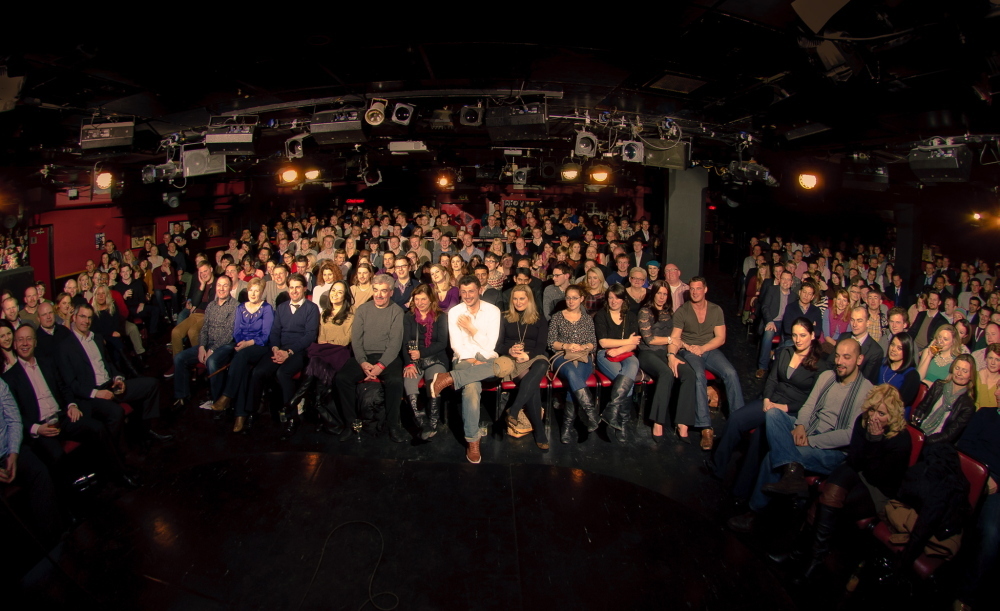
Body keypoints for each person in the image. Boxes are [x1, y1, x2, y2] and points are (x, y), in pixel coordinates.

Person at [727, 338, 873, 532]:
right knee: (773, 413)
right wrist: (801, 426)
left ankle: (755, 513)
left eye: (847, 357)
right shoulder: (827, 376)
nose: (840, 361)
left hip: (832, 451)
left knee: (773, 458)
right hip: (808, 430)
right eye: (837, 356)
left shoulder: (867, 391)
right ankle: (792, 471)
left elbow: (849, 435)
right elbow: (808, 406)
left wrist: (809, 440)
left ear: (859, 359)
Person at [791, 385, 912, 582]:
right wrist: (869, 438)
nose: (874, 417)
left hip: (878, 491)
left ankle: (807, 555)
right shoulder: (862, 422)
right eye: (872, 409)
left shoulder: (901, 439)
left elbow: (876, 476)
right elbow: (855, 461)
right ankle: (807, 555)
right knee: (832, 490)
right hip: (857, 473)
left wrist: (874, 439)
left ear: (892, 416)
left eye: (881, 413)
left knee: (831, 499)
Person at [4, 325, 135, 488]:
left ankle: (118, 474)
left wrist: (71, 405)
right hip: (41, 428)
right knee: (56, 455)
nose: (25, 343)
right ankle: (71, 501)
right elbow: (14, 415)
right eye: (20, 340)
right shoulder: (9, 378)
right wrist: (36, 429)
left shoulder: (47, 363)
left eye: (29, 338)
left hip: (62, 417)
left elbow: (64, 387)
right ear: (14, 345)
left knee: (97, 428)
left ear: (35, 342)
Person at [714, 318, 827, 488]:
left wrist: (783, 407)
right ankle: (718, 467)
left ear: (812, 335)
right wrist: (767, 399)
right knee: (736, 419)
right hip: (771, 400)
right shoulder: (785, 352)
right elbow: (772, 380)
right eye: (795, 335)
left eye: (802, 335)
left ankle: (741, 489)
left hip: (791, 410)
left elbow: (812, 399)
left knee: (758, 439)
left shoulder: (820, 364)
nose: (798, 339)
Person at [58, 303, 169, 442]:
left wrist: (118, 378)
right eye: (82, 316)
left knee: (151, 384)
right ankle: (114, 453)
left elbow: (109, 364)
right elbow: (70, 383)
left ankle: (148, 430)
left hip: (111, 385)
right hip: (92, 395)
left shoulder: (97, 338)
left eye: (89, 318)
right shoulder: (65, 346)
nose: (86, 321)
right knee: (116, 412)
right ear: (74, 317)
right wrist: (96, 393)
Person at [429, 275, 504, 463]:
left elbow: (490, 346)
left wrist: (471, 329)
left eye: (471, 291)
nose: (468, 296)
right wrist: (472, 361)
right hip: (465, 359)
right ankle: (472, 440)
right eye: (463, 292)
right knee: (471, 387)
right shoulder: (454, 312)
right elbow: (457, 345)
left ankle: (449, 378)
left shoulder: (493, 311)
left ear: (480, 290)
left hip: (487, 360)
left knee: (504, 366)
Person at [668, 276, 744, 450]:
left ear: (705, 289)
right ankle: (705, 427)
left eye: (698, 288)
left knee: (731, 373)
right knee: (699, 376)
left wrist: (703, 348)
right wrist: (677, 352)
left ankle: (740, 420)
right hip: (689, 350)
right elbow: (675, 337)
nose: (695, 292)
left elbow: (721, 338)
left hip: (709, 349)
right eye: (692, 289)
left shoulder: (716, 309)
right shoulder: (682, 311)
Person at [335, 274, 407, 443]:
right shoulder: (362, 310)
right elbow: (356, 340)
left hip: (387, 357)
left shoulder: (397, 311)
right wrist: (362, 362)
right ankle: (350, 424)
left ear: (391, 292)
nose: (379, 295)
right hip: (365, 356)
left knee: (396, 381)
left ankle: (392, 426)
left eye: (383, 291)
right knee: (342, 378)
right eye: (376, 290)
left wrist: (381, 366)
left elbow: (395, 344)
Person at [248, 273, 319, 439]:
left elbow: (309, 336)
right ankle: (252, 412)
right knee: (258, 372)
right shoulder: (281, 308)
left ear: (304, 288)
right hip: (279, 348)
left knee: (283, 373)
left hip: (300, 351)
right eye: (291, 287)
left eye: (297, 287)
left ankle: (292, 417)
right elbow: (275, 332)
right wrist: (275, 348)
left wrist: (289, 352)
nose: (294, 291)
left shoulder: (311, 308)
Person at [0, 376, 63, 547]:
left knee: (39, 472)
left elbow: (13, 419)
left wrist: (13, 452)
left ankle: (53, 542)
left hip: (8, 451)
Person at [211, 278, 274, 433]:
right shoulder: (240, 308)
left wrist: (248, 343)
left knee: (241, 358)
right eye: (251, 290)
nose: (253, 293)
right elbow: (236, 332)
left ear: (262, 293)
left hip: (259, 347)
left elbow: (265, 336)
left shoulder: (267, 308)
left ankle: (227, 396)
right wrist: (241, 343)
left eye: (256, 290)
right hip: (242, 347)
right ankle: (240, 415)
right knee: (243, 371)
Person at [496, 285, 550, 450]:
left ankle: (514, 409)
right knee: (530, 382)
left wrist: (529, 355)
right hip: (513, 358)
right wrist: (510, 350)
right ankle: (539, 431)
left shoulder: (539, 318)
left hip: (534, 356)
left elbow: (542, 345)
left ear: (529, 299)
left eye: (522, 298)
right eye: (515, 298)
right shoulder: (505, 317)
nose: (518, 302)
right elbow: (498, 345)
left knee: (542, 363)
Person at [172, 275, 237, 410]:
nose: (222, 288)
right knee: (179, 358)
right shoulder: (211, 306)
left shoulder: (235, 306)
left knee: (211, 361)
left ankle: (218, 400)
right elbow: (204, 329)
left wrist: (212, 349)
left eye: (225, 285)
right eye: (219, 285)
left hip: (226, 345)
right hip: (208, 344)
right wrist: (201, 346)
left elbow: (229, 334)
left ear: (230, 288)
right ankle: (182, 396)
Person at [547, 284, 599, 444]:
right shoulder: (557, 317)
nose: (570, 301)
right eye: (568, 297)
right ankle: (591, 413)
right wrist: (567, 346)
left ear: (582, 299)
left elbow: (593, 343)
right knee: (571, 373)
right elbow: (551, 343)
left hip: (583, 356)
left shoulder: (587, 319)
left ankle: (567, 427)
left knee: (574, 380)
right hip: (562, 356)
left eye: (574, 298)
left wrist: (584, 347)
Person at [594, 284, 642, 442]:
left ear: (623, 299)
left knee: (632, 364)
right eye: (610, 297)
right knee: (627, 382)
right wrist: (626, 342)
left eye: (617, 297)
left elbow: (634, 344)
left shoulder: (631, 316)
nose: (613, 301)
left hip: (625, 353)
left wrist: (620, 349)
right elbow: (603, 343)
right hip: (605, 354)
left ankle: (613, 413)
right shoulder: (601, 315)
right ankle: (621, 423)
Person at [401, 284, 450, 441]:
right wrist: (408, 363)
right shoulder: (408, 317)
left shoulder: (441, 317)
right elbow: (404, 342)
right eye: (417, 299)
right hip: (413, 359)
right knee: (409, 382)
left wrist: (422, 353)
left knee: (433, 384)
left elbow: (442, 343)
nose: (420, 302)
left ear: (431, 300)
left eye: (424, 299)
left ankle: (434, 423)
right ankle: (424, 424)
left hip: (435, 357)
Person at [910, 353, 976, 445]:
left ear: (970, 376)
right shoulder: (938, 385)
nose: (959, 373)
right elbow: (921, 408)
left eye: (964, 371)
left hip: (938, 444)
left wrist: (926, 440)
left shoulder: (967, 406)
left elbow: (949, 435)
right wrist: (916, 429)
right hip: (920, 431)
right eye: (957, 368)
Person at [828, 306, 884, 385]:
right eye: (852, 320)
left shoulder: (875, 351)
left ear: (868, 323)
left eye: (859, 321)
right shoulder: (843, 337)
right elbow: (830, 363)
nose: (854, 324)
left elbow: (867, 380)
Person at [877, 332, 921, 407]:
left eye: (899, 348)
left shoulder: (912, 376)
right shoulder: (881, 363)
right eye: (892, 344)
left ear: (907, 351)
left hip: (894, 414)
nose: (893, 349)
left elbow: (900, 404)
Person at [975, 343, 1000, 409]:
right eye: (990, 358)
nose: (993, 363)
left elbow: (987, 409)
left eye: (997, 359)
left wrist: (984, 382)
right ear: (985, 359)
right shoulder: (975, 375)